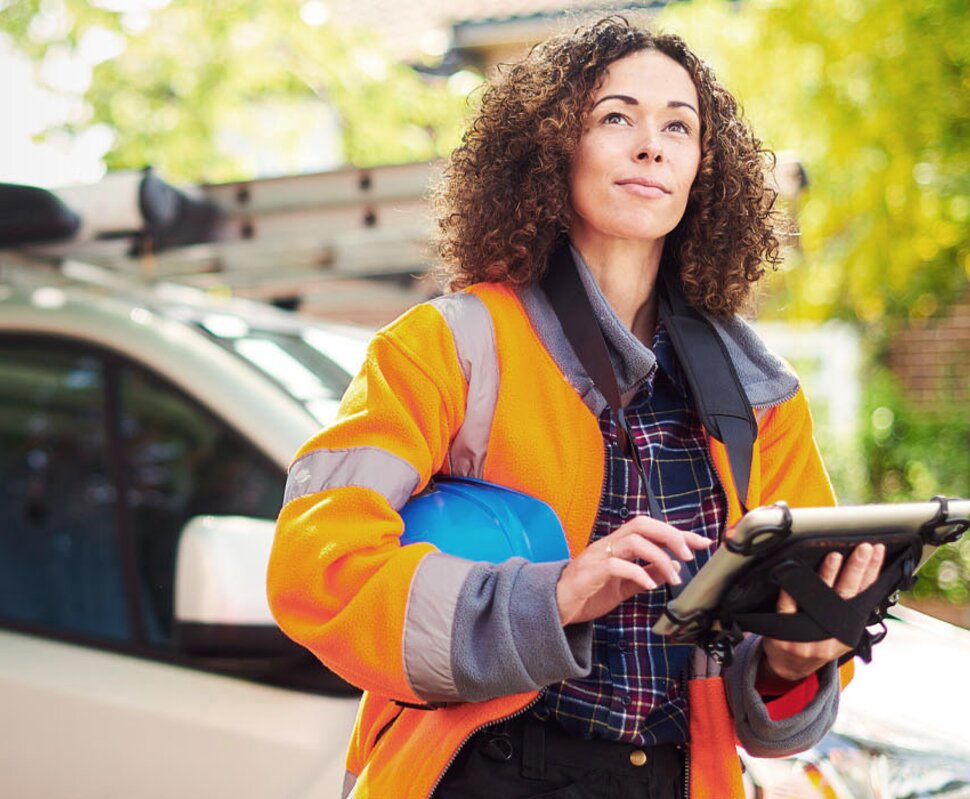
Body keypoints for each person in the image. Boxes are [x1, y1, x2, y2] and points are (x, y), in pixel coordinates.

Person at [267, 17, 884, 799]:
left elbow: (765, 697)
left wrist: (799, 655)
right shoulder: (445, 347)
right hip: (481, 775)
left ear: (703, 167)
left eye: (678, 126)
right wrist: (550, 597)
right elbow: (315, 567)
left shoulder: (762, 394)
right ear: (554, 149)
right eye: (616, 117)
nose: (651, 145)